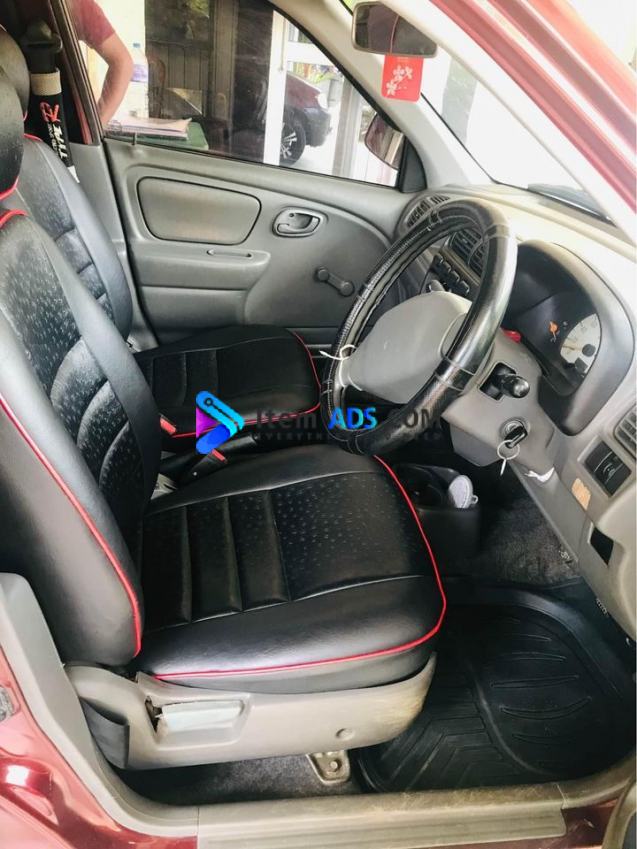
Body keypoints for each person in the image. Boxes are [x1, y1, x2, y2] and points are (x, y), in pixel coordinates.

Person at [70, 0, 133, 125]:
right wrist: (98, 123)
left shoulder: (76, 5)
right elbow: (122, 62)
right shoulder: (75, 5)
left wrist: (96, 124)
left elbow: (122, 63)